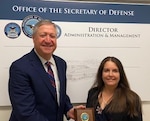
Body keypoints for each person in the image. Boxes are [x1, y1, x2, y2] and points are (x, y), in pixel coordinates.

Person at [8, 19, 85, 121]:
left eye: (52, 36)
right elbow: (25, 112)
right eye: (43, 35)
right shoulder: (20, 67)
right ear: (34, 38)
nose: (48, 40)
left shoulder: (61, 63)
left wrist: (68, 109)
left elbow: (58, 93)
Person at [86, 56, 142, 121]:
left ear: (120, 74)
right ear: (101, 74)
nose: (110, 74)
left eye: (115, 71)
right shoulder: (92, 94)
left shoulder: (132, 98)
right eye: (106, 70)